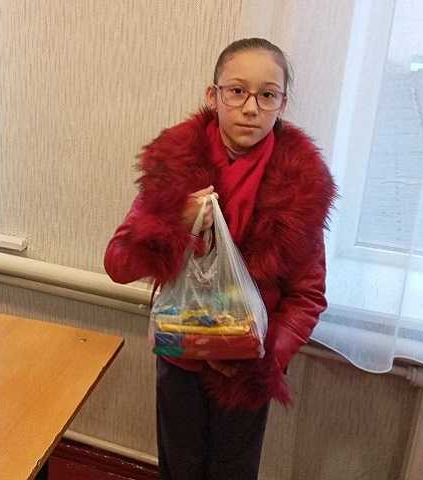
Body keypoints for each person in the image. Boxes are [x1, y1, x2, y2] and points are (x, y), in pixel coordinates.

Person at [104, 38, 336, 480]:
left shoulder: (302, 186)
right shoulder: (175, 166)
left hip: (246, 371)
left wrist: (264, 359)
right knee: (180, 467)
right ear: (213, 96)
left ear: (283, 104)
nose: (250, 107)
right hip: (180, 354)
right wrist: (176, 221)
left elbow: (308, 295)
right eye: (237, 91)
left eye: (267, 95)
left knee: (234, 471)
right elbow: (118, 264)